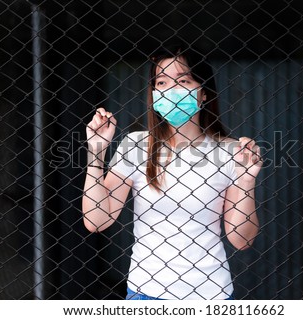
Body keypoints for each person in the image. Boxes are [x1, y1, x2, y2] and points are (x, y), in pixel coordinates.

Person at [82, 43, 262, 300]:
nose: (172, 91)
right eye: (162, 83)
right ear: (154, 93)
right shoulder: (135, 145)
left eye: (183, 80)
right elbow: (97, 221)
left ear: (204, 93)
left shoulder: (232, 151)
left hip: (212, 295)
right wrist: (97, 152)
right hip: (146, 292)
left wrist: (246, 181)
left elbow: (241, 240)